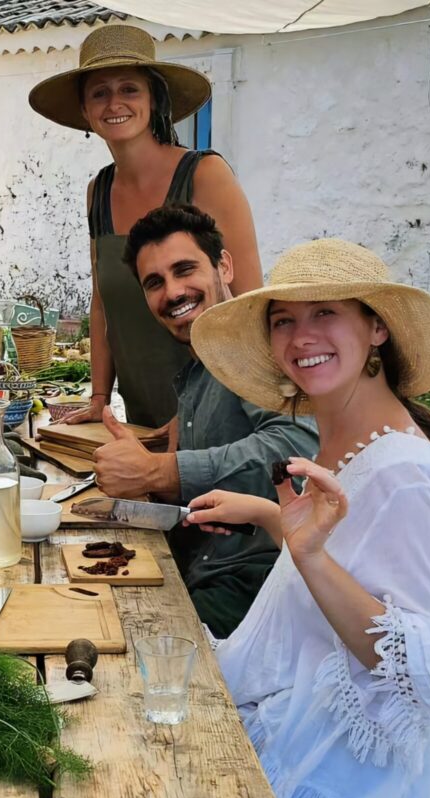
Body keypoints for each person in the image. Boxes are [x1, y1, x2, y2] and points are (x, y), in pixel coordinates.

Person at [187, 238, 430, 798]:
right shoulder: (350, 435)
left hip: (370, 778)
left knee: (171, 795)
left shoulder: (404, 471)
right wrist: (271, 517)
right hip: (316, 712)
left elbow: (417, 669)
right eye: (284, 319)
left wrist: (310, 554)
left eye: (325, 312)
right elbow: (346, 549)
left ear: (375, 326)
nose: (302, 336)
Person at [93, 204, 318, 639]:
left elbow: (294, 454)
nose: (173, 292)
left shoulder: (260, 349)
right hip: (200, 569)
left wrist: (160, 470)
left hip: (255, 589)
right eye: (154, 282)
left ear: (224, 266)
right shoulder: (201, 367)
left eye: (184, 270)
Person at [28, 23, 262, 429]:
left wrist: (200, 408)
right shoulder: (98, 191)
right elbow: (103, 302)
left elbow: (252, 304)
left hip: (220, 414)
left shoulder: (205, 174)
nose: (114, 102)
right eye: (99, 93)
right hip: (142, 413)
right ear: (85, 111)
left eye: (129, 89)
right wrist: (99, 396)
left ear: (154, 98)